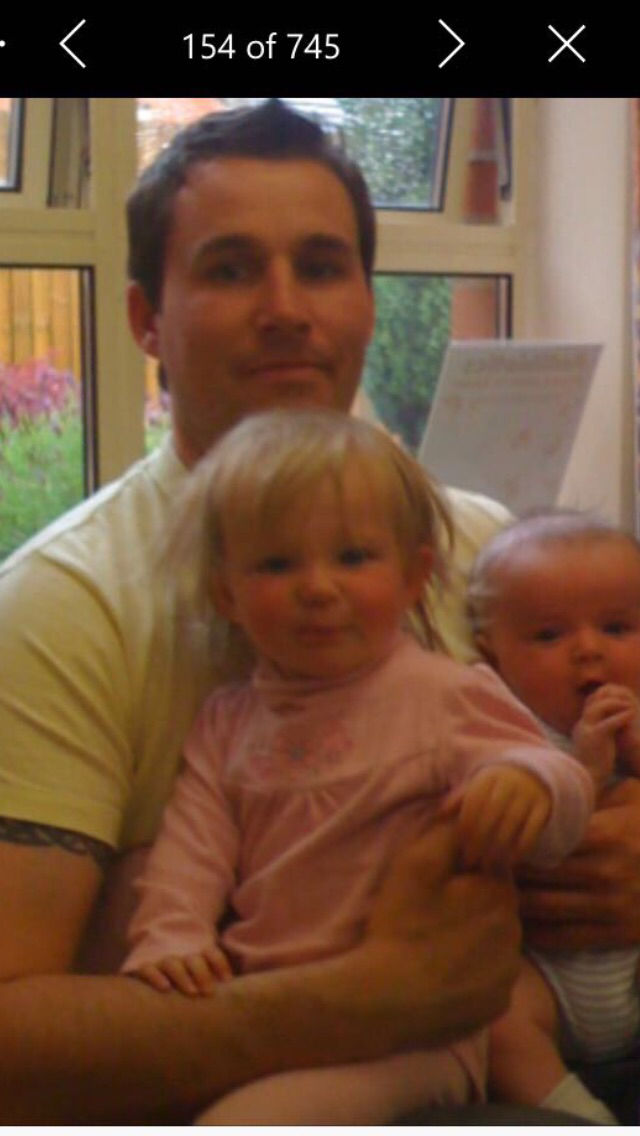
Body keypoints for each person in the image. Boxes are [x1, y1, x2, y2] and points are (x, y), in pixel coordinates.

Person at [0, 96, 632, 1123]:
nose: (287, 308)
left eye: (324, 266)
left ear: (368, 303)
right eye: (230, 269)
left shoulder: (477, 545)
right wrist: (367, 997)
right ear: (145, 320)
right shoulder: (62, 608)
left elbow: (584, 744)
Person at [123, 409, 594, 1125]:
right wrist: (170, 934)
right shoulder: (226, 723)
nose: (318, 588)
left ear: (414, 577)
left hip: (416, 1038)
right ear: (226, 595)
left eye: (352, 558)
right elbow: (191, 850)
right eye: (277, 564)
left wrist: (527, 783)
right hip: (279, 1008)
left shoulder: (443, 693)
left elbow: (559, 781)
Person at [467, 509, 640, 1124]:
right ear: (490, 653)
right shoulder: (492, 719)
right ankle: (582, 1119)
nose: (589, 649)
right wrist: (584, 770)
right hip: (541, 977)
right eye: (547, 636)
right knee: (493, 1020)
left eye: (617, 627)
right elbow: (507, 817)